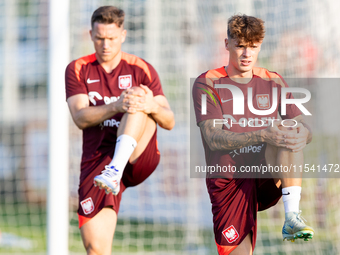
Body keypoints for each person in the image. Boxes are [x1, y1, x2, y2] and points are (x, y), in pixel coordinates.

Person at [192, 14, 314, 255]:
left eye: (253, 47)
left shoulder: (273, 79)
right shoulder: (208, 82)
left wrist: (303, 136)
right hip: (229, 180)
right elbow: (212, 138)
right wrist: (262, 135)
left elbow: (303, 127)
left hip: (264, 172)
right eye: (240, 46)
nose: (247, 54)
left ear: (260, 46)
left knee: (289, 129)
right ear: (227, 44)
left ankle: (292, 217)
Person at [65, 6, 175, 255]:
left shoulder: (141, 68)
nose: (106, 45)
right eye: (100, 38)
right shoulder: (78, 68)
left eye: (112, 38)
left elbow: (169, 121)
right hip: (98, 160)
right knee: (96, 249)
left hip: (138, 156)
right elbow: (80, 117)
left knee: (137, 96)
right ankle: (112, 171)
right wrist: (116, 104)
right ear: (91, 34)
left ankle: (116, 168)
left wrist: (149, 105)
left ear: (123, 35)